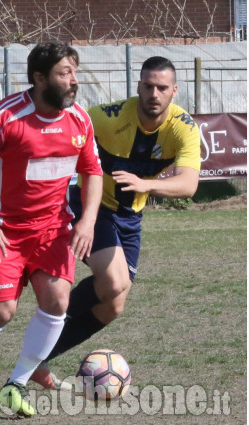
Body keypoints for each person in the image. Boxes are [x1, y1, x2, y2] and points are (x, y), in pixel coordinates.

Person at [0, 42, 103, 417]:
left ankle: (16, 383)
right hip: (4, 231)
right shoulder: (5, 118)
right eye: (65, 73)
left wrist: (87, 221)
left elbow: (92, 172)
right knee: (2, 312)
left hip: (53, 230)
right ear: (39, 78)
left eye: (74, 72)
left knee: (57, 303)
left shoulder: (80, 120)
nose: (74, 81)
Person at [30, 56, 201, 390]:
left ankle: (38, 359)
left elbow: (189, 184)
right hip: (90, 206)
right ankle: (47, 321)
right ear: (138, 87)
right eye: (148, 86)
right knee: (113, 282)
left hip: (129, 217)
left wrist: (146, 184)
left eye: (162, 88)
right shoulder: (106, 119)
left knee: (114, 304)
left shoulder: (183, 127)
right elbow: (60, 124)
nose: (154, 93)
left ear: (174, 91)